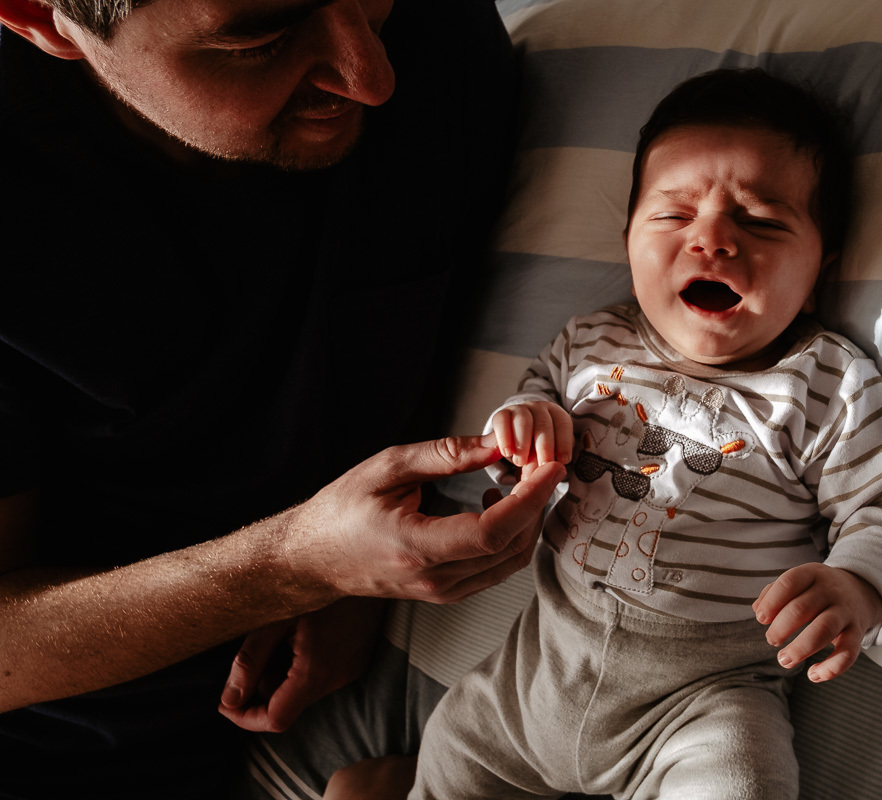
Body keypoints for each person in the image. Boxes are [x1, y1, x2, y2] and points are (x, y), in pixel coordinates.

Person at [0, 1, 558, 797]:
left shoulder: (436, 36)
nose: (372, 77)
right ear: (41, 18)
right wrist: (298, 568)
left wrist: (353, 573)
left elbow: (430, 291)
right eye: (258, 41)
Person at [404, 68, 882, 799]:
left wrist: (860, 586)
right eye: (673, 215)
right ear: (627, 241)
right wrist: (525, 426)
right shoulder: (589, 345)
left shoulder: (825, 383)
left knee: (741, 783)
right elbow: (526, 417)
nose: (712, 239)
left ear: (820, 272)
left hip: (703, 701)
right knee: (451, 748)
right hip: (535, 671)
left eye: (761, 222)